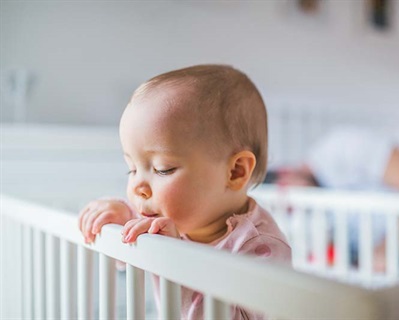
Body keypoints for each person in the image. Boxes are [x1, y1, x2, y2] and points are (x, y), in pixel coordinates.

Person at [78, 64, 292, 319]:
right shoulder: (173, 211)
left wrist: (173, 260)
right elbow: (127, 245)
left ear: (235, 172)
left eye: (163, 169)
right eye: (132, 169)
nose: (138, 187)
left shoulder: (259, 247)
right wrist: (117, 212)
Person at [270, 126, 399, 272]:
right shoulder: (322, 214)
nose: (292, 208)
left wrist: (384, 253)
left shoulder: (339, 148)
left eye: (286, 197)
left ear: (286, 173)